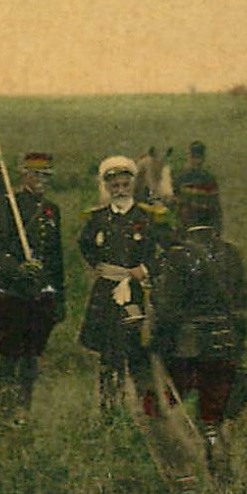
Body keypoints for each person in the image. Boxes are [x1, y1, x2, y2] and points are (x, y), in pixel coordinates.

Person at [152, 178, 247, 478]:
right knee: (213, 418)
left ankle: (194, 476)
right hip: (226, 345)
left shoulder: (179, 256)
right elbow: (243, 305)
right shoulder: (231, 254)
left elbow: (167, 312)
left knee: (175, 415)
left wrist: (154, 343)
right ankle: (222, 474)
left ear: (184, 214)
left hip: (188, 348)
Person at [78, 156, 173, 417]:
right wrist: (99, 265)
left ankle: (148, 411)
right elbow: (85, 243)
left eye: (124, 185)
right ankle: (110, 408)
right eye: (114, 186)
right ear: (107, 188)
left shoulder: (147, 217)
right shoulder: (97, 219)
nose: (120, 191)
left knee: (139, 351)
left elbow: (165, 250)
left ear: (133, 184)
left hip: (136, 292)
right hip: (107, 293)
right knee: (109, 353)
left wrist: (145, 269)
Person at [0, 152, 65, 426]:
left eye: (46, 176)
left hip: (40, 295)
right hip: (12, 294)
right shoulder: (7, 205)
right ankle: (6, 410)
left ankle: (24, 409)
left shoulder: (52, 209)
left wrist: (59, 297)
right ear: (24, 175)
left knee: (32, 355)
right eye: (37, 175)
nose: (42, 181)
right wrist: (16, 269)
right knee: (9, 353)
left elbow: (56, 258)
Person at [172, 140, 221, 231]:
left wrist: (217, 229)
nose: (197, 161)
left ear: (203, 159)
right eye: (194, 157)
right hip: (185, 226)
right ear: (190, 158)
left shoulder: (208, 179)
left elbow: (215, 207)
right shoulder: (181, 178)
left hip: (204, 225)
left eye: (199, 157)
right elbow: (174, 202)